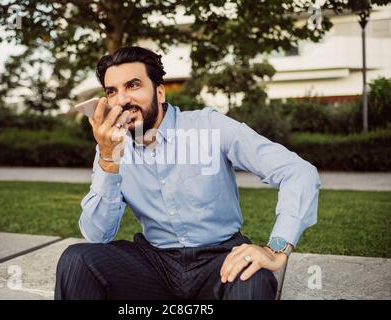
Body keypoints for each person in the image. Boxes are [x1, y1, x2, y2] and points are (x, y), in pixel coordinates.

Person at [55, 46, 321, 300]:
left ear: (160, 92)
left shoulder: (209, 126)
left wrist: (275, 249)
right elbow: (97, 235)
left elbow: (298, 172)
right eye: (112, 91)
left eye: (133, 85)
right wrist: (107, 161)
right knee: (77, 260)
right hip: (154, 263)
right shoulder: (110, 147)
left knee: (253, 278)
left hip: (220, 259)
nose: (122, 100)